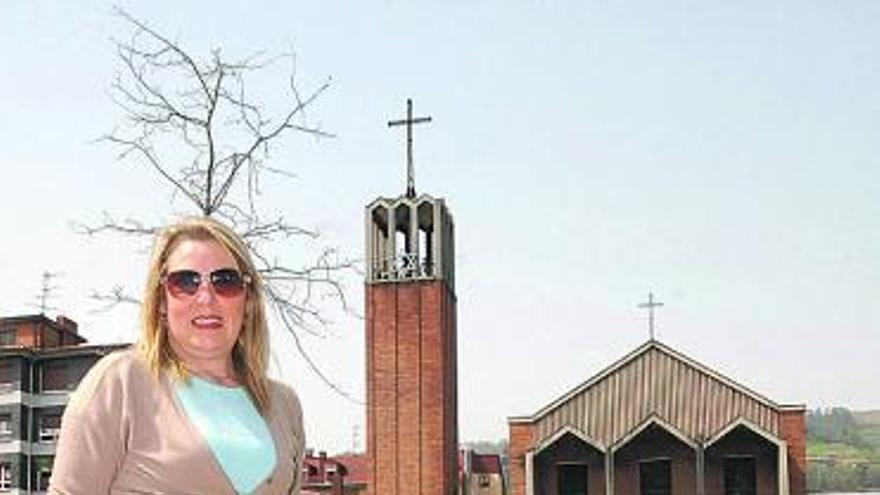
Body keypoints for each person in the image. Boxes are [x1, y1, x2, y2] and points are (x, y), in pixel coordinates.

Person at [49, 216, 305, 495]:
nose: (206, 297)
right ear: (161, 301)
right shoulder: (119, 383)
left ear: (248, 302)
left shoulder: (283, 404)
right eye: (185, 282)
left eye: (225, 281)